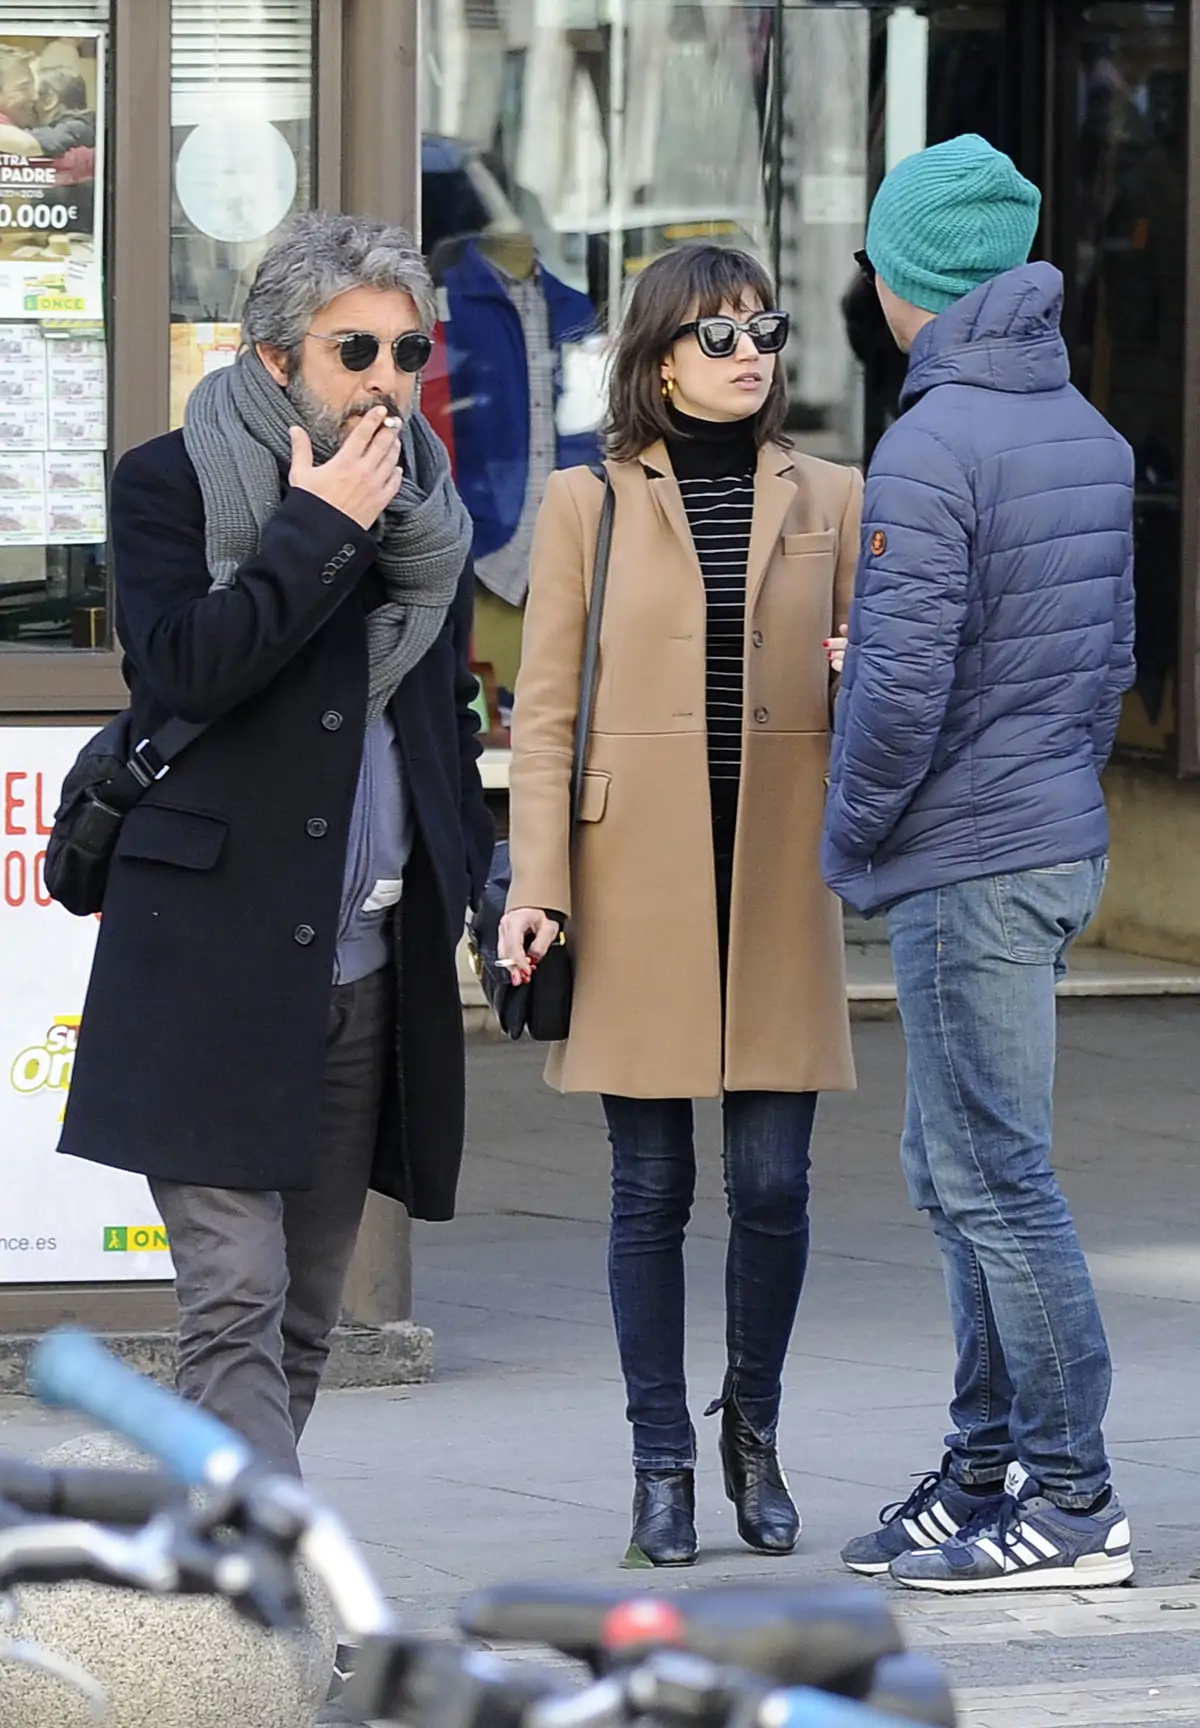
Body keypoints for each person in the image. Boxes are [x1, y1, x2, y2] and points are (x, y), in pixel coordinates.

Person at [61, 211, 493, 1480]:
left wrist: (492, 885)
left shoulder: (430, 520)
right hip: (206, 962)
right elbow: (187, 667)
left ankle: (222, 1580)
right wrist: (319, 529)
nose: (386, 383)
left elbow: (439, 727)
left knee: (307, 1313)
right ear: (273, 359)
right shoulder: (169, 484)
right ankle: (264, 1615)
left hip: (359, 968)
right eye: (353, 348)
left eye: (409, 353)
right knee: (236, 1294)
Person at [500, 243, 861, 1567]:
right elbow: (545, 713)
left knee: (773, 1184)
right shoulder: (585, 502)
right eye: (717, 335)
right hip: (631, 877)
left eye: (764, 327)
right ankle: (661, 1466)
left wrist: (854, 669)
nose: (751, 350)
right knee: (649, 1188)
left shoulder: (831, 493)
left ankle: (750, 1435)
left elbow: (873, 687)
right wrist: (537, 884)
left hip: (777, 875)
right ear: (657, 358)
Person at [822, 135, 1136, 1592]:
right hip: (1048, 831)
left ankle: (1071, 1500)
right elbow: (1103, 662)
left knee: (994, 1180)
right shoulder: (1082, 430)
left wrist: (851, 836)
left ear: (911, 281)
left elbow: (897, 691)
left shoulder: (931, 444)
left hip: (971, 855)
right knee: (959, 1175)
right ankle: (985, 1467)